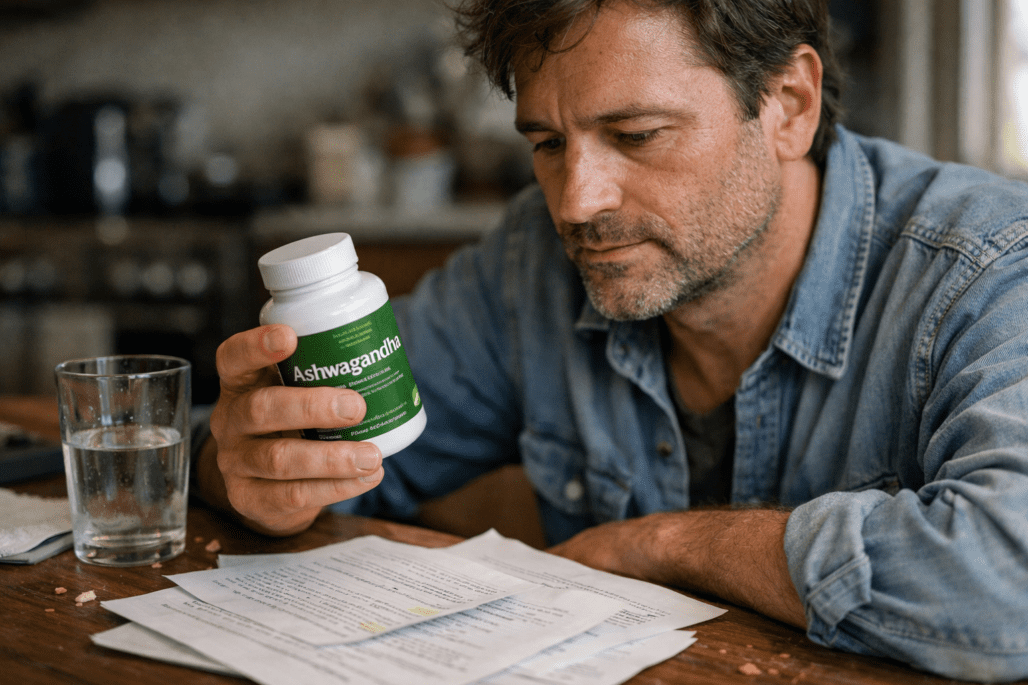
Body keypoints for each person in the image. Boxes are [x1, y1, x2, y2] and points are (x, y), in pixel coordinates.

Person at [193, 0, 1028, 680]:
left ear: (789, 105)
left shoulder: (989, 269)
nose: (576, 203)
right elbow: (331, 458)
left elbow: (1008, 582)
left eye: (637, 135)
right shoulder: (530, 263)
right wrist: (242, 470)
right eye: (548, 144)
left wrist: (661, 543)